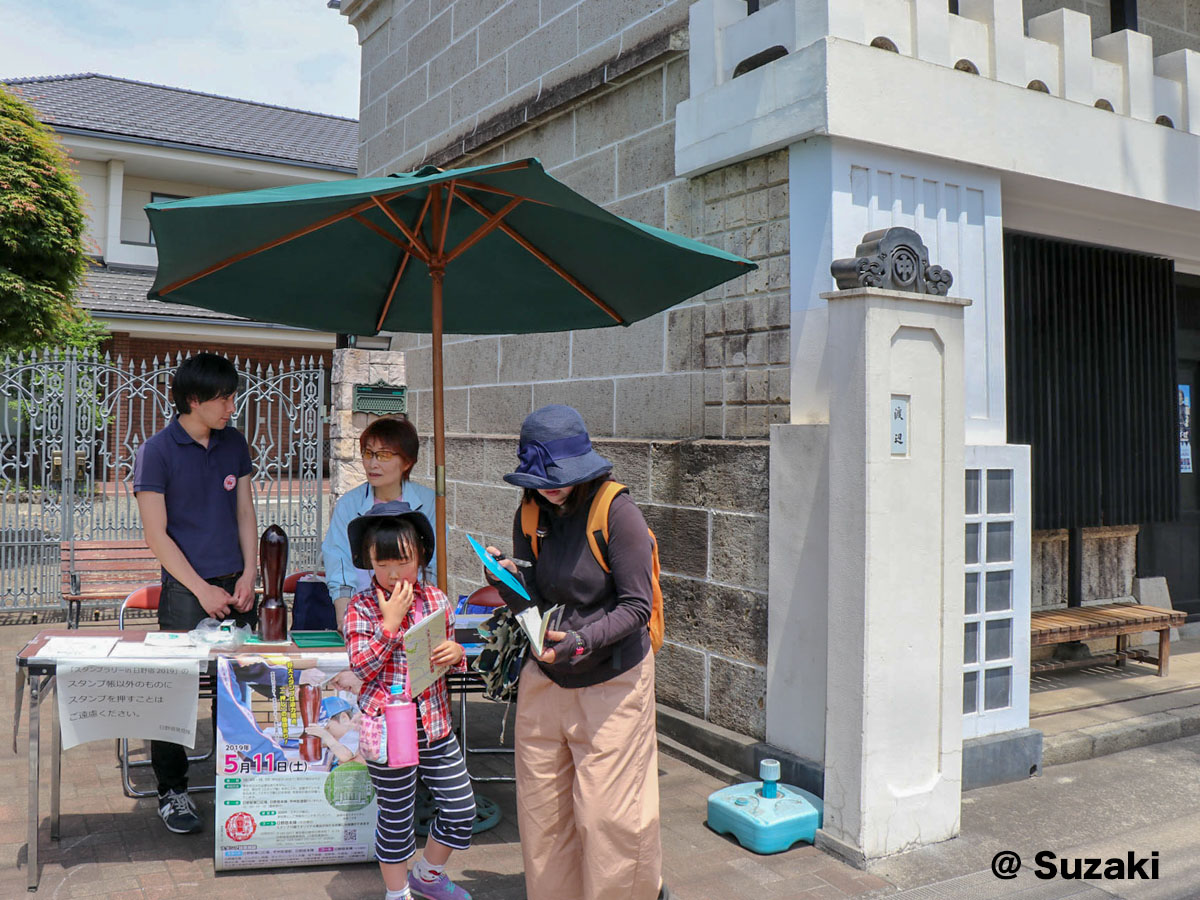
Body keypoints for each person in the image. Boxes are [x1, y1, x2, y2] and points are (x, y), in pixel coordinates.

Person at [485, 404, 667, 900]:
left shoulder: (617, 511)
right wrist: (505, 580)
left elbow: (636, 607)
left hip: (612, 680)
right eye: (540, 479)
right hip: (547, 675)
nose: (550, 487)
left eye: (558, 477)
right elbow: (533, 598)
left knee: (608, 817)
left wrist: (584, 640)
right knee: (545, 815)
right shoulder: (529, 509)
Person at [133, 352, 259, 834]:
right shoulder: (158, 451)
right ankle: (172, 791)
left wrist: (249, 573)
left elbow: (245, 513)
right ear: (193, 399)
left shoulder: (234, 443)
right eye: (224, 398)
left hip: (236, 586)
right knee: (174, 694)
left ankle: (242, 781)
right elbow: (156, 536)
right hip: (187, 592)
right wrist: (201, 588)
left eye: (232, 396)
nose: (231, 406)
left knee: (241, 689)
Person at [344, 500, 475, 900]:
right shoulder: (361, 606)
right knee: (397, 818)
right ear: (368, 562)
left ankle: (428, 875)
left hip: (434, 725)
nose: (392, 573)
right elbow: (361, 668)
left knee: (460, 808)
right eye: (381, 564)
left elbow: (448, 662)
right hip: (386, 731)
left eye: (402, 561)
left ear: (421, 554)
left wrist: (458, 656)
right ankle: (396, 893)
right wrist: (389, 624)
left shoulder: (437, 600)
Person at [323, 416, 437, 629]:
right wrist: (344, 618)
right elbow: (339, 563)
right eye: (368, 453)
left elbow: (432, 565)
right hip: (363, 614)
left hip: (415, 616)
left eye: (383, 455)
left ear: (407, 461)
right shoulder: (349, 504)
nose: (372, 464)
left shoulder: (430, 503)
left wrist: (426, 617)